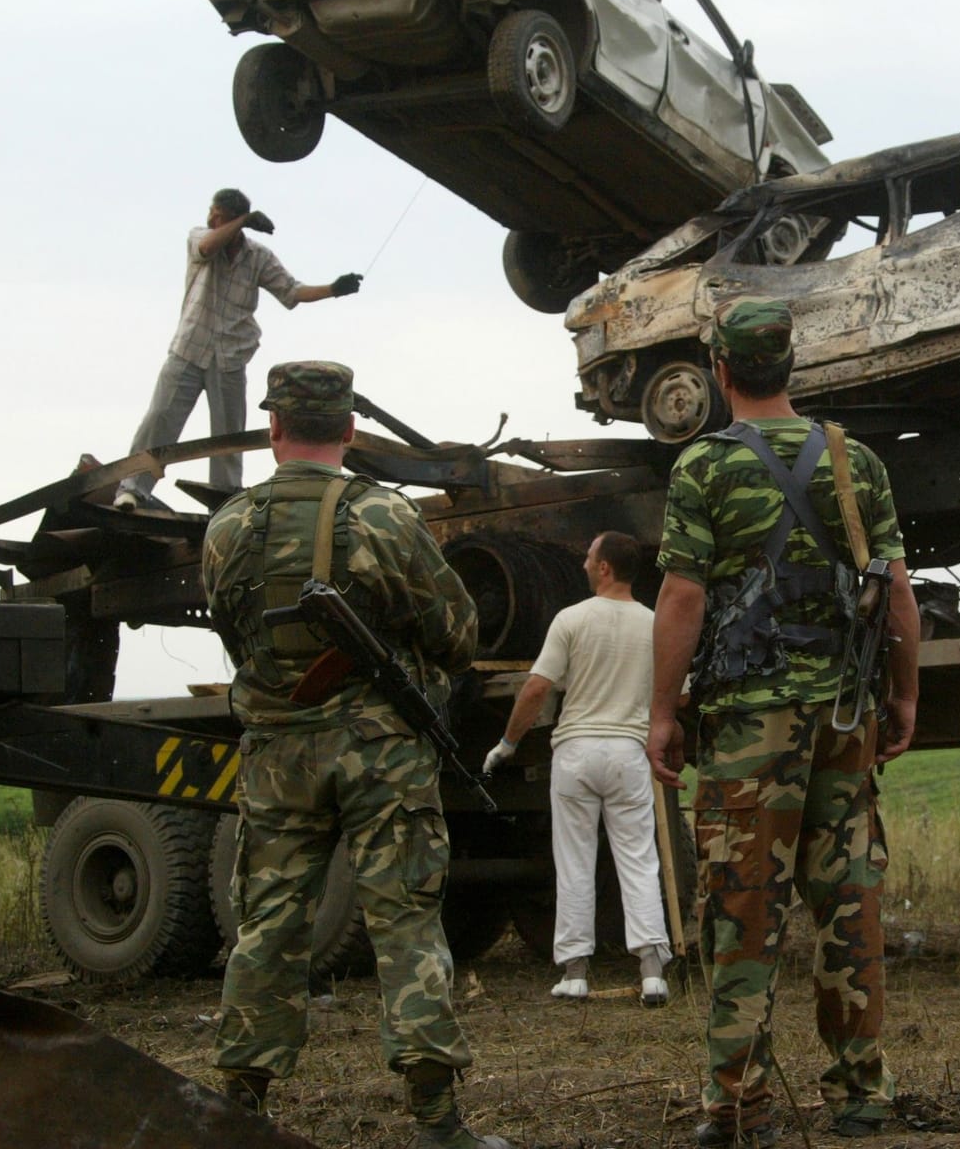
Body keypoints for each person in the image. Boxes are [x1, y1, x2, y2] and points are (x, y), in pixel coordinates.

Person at [203, 360, 510, 1149]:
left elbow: (238, 635)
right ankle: (438, 1124)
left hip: (276, 751)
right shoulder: (385, 517)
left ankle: (240, 1110)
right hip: (380, 753)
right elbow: (457, 632)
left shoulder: (228, 526)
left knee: (267, 927)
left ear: (273, 429)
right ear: (348, 431)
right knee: (405, 924)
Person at [646, 298, 922, 1147]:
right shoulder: (856, 462)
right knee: (849, 908)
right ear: (790, 367)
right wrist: (904, 697)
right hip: (844, 718)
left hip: (748, 732)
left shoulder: (704, 468)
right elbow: (899, 590)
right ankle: (862, 1097)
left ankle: (737, 1104)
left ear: (723, 373)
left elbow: (684, 596)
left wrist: (662, 711)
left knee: (744, 914)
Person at [481, 531, 672, 1006]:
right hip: (628, 752)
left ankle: (575, 972)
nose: (585, 564)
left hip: (576, 752)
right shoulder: (653, 624)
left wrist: (507, 744)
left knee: (574, 862)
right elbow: (678, 692)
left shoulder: (571, 619)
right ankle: (651, 971)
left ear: (605, 567)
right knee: (639, 860)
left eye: (589, 557)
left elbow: (535, 689)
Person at [117, 188, 363, 508]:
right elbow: (207, 246)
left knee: (228, 436)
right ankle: (133, 488)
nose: (211, 219)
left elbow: (292, 292)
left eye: (217, 215)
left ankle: (223, 500)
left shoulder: (257, 256)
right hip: (189, 350)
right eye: (212, 213)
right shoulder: (200, 237)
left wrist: (334, 289)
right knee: (160, 419)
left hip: (230, 358)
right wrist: (242, 221)